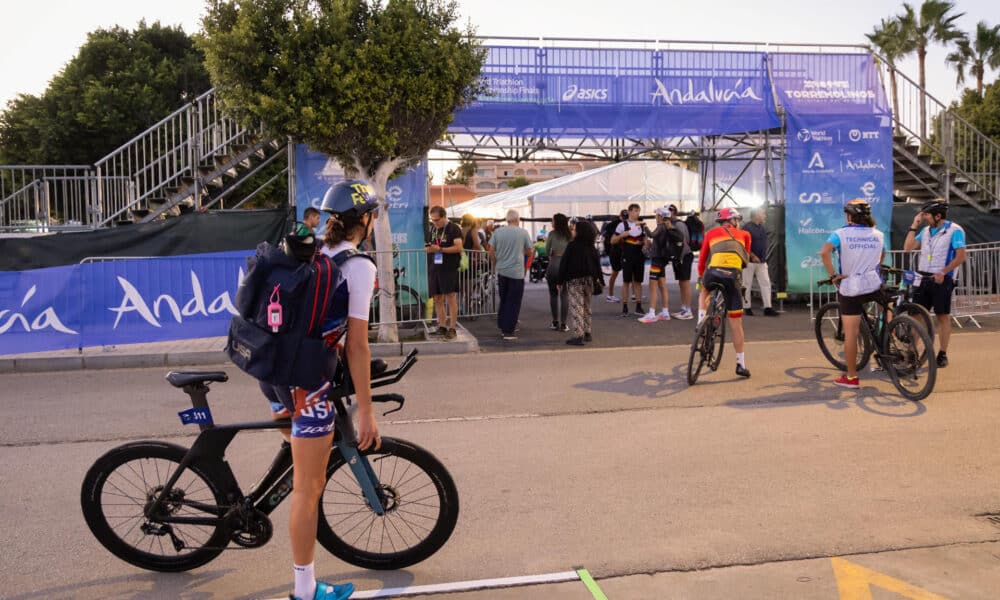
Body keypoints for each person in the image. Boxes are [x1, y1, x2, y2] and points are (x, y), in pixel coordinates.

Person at [262, 179, 380, 600]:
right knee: (308, 491)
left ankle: (264, 493)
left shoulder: (313, 251)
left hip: (272, 370)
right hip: (307, 382)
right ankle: (305, 591)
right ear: (364, 220)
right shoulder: (359, 266)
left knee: (300, 458)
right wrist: (365, 409)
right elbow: (358, 345)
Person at [819, 199, 885, 389]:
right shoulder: (878, 234)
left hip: (851, 287)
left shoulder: (840, 233)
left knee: (851, 333)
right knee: (884, 311)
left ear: (849, 216)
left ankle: (851, 378)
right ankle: (888, 335)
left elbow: (825, 253)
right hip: (873, 283)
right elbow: (883, 253)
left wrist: (833, 275)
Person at [903, 200, 967, 368]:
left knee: (942, 316)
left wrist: (943, 272)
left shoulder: (955, 230)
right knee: (916, 315)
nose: (924, 218)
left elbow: (961, 256)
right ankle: (911, 351)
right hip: (923, 276)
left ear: (938, 216)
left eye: (927, 215)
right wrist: (913, 225)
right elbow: (908, 248)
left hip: (942, 278)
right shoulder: (924, 230)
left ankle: (942, 353)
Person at [697, 207, 752, 378]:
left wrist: (701, 277)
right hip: (732, 276)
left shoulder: (711, 234)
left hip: (712, 272)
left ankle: (701, 321)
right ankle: (740, 364)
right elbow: (746, 260)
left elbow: (702, 259)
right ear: (734, 220)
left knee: (705, 290)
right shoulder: (745, 235)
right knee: (736, 324)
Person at [488, 209, 533, 340]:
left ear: (507, 219)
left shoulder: (498, 232)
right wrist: (521, 251)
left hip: (501, 271)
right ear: (517, 219)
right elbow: (530, 252)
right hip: (516, 272)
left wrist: (495, 262)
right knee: (513, 301)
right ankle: (509, 331)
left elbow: (491, 250)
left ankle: (503, 325)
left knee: (504, 299)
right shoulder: (523, 232)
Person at [558, 219, 603, 345]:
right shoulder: (591, 247)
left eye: (574, 229)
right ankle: (587, 333)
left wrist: (560, 281)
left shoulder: (572, 246)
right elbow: (597, 265)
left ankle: (578, 336)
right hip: (589, 280)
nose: (572, 231)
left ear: (580, 232)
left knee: (577, 307)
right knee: (587, 306)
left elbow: (564, 264)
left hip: (575, 280)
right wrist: (601, 280)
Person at [426, 206, 463, 340]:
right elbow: (431, 245)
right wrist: (429, 249)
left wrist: (440, 249)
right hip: (434, 267)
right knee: (437, 298)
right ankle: (442, 326)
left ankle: (452, 328)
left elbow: (459, 247)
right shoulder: (433, 229)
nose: (434, 222)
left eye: (437, 219)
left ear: (444, 216)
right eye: (432, 220)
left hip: (449, 268)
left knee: (450, 297)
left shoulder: (454, 228)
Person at [611, 203, 650, 317]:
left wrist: (644, 243)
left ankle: (638, 306)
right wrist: (622, 235)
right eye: (635, 211)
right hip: (627, 256)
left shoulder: (642, 225)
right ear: (629, 212)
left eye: (638, 211)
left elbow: (647, 241)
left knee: (638, 281)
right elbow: (612, 241)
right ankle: (624, 307)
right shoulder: (622, 225)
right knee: (626, 282)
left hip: (639, 256)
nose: (637, 213)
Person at [638, 207, 674, 323]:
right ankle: (665, 312)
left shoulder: (661, 226)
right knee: (662, 286)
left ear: (661, 216)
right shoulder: (667, 227)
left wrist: (644, 225)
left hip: (657, 260)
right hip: (662, 259)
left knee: (652, 286)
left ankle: (652, 313)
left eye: (657, 215)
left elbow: (651, 235)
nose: (655, 217)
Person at [741, 208, 777, 317]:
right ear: (756, 215)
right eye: (763, 213)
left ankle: (768, 307)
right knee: (746, 284)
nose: (765, 215)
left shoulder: (762, 227)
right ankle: (747, 307)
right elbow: (743, 244)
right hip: (749, 262)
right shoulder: (746, 227)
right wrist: (752, 255)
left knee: (766, 283)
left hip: (762, 261)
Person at [666, 204, 695, 320]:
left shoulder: (679, 224)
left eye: (669, 211)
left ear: (674, 213)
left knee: (685, 283)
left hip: (684, 256)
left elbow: (683, 241)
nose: (667, 214)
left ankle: (688, 311)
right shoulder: (671, 225)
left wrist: (680, 257)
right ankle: (684, 309)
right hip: (678, 257)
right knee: (681, 283)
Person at [545, 213, 572, 331]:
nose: (551, 222)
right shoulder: (570, 235)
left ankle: (555, 322)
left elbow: (547, 250)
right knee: (565, 294)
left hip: (554, 264)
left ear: (556, 222)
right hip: (566, 265)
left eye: (552, 220)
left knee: (553, 294)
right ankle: (564, 324)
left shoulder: (551, 234)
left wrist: (552, 256)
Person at [600, 210, 627, 303]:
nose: (624, 218)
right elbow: (612, 240)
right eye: (624, 216)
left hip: (618, 252)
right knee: (615, 273)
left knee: (628, 273)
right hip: (616, 252)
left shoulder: (614, 225)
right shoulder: (615, 225)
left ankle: (634, 294)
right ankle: (610, 295)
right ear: (620, 216)